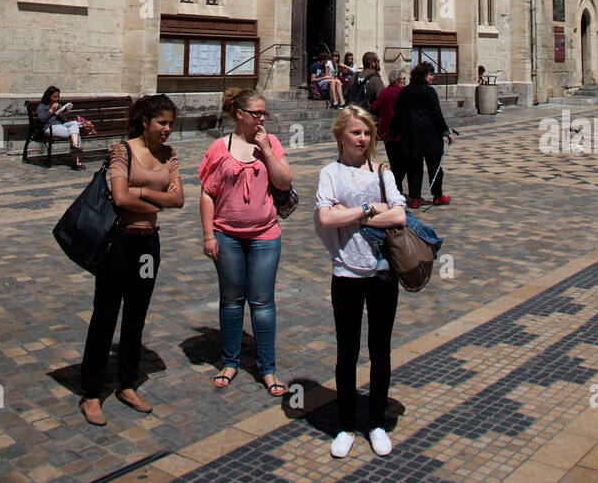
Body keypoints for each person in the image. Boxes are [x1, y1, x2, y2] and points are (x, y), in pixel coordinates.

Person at [79, 94, 184, 427]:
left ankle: (127, 383)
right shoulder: (122, 151)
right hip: (119, 243)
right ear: (145, 121)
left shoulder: (169, 154)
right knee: (105, 315)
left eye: (171, 124)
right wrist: (157, 201)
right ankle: (91, 392)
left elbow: (179, 200)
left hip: (148, 244)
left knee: (137, 314)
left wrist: (142, 194)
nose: (167, 129)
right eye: (162, 123)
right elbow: (119, 197)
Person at [315, 105, 407, 458]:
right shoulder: (330, 173)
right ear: (340, 135)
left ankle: (377, 422)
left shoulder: (382, 172)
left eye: (367, 132)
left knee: (380, 348)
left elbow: (399, 215)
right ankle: (346, 425)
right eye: (356, 132)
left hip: (383, 272)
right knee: (347, 350)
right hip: (346, 272)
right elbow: (325, 219)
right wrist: (370, 209)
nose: (363, 139)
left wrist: (351, 215)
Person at [199, 88, 293, 395]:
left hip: (265, 235)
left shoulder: (271, 142)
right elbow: (207, 193)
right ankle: (230, 361)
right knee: (231, 301)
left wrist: (266, 149)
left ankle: (268, 368)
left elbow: (284, 182)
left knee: (263, 303)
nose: (262, 118)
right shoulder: (220, 147)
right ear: (239, 115)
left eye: (265, 113)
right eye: (257, 113)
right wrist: (209, 235)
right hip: (226, 236)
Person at [393, 61, 454, 207]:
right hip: (430, 134)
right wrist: (446, 132)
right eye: (431, 74)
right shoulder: (429, 92)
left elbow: (398, 111)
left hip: (411, 134)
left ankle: (415, 198)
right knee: (435, 167)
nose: (433, 77)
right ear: (424, 75)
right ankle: (437, 195)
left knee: (414, 167)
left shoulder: (405, 91)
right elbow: (437, 114)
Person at [372, 68, 408, 192]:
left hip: (386, 133)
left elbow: (374, 107)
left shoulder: (384, 92)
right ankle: (395, 187)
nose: (405, 82)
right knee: (403, 163)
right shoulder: (402, 92)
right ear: (398, 80)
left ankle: (395, 188)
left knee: (394, 161)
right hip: (400, 133)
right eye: (403, 79)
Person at [37, 85, 83, 170]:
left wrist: (62, 116)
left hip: (61, 125)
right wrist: (51, 110)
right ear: (49, 96)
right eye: (54, 97)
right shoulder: (42, 106)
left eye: (58, 96)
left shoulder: (59, 106)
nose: (56, 99)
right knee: (75, 134)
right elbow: (42, 119)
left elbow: (65, 120)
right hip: (50, 127)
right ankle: (75, 160)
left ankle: (75, 144)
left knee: (74, 123)